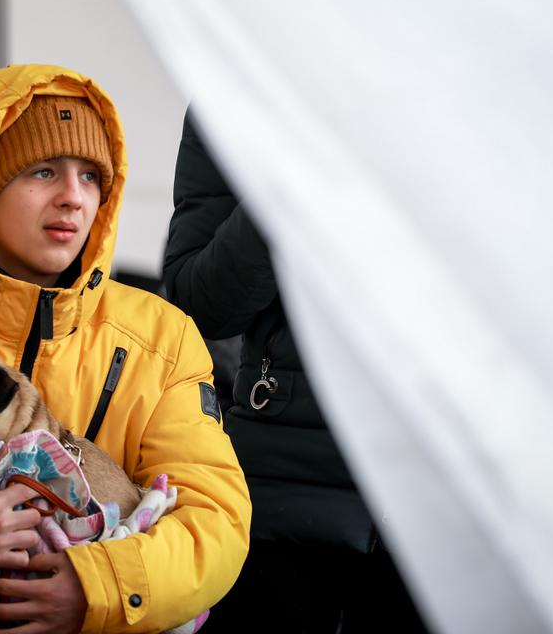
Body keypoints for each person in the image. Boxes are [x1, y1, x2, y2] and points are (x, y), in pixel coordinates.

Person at [0, 65, 251, 633]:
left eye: (91, 177)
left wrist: (97, 586)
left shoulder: (163, 336)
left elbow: (215, 521)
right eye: (44, 170)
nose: (73, 198)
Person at [162, 110, 428, 632]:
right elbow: (201, 305)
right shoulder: (236, 86)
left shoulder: (470, 71)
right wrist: (284, 176)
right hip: (282, 499)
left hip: (448, 501)